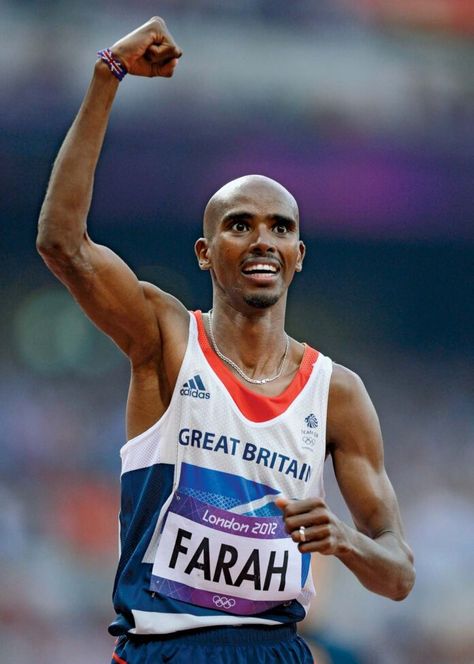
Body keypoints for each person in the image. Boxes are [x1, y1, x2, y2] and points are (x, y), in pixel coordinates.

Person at [36, 15, 415, 664]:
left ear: (298, 253)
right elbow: (63, 245)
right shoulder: (164, 339)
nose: (262, 239)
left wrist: (345, 541)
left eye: (279, 227)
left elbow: (399, 572)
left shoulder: (337, 394)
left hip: (274, 648)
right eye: (240, 225)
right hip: (165, 648)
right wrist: (108, 76)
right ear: (206, 253)